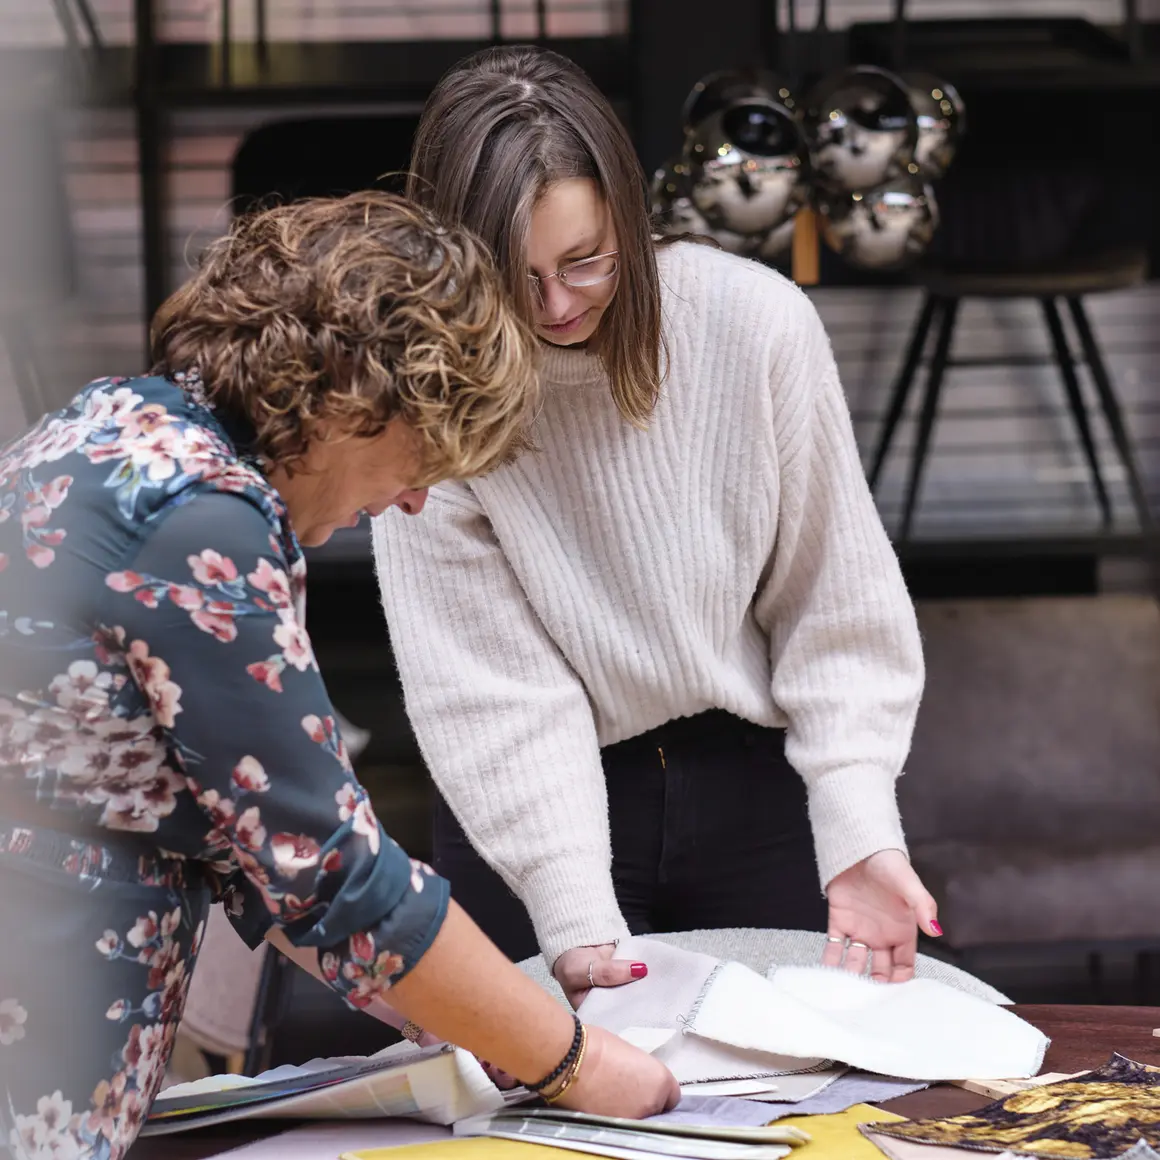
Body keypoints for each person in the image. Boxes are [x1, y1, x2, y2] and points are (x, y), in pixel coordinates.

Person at [0, 191, 678, 1160]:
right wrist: (578, 1062)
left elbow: (268, 849)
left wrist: (473, 1018)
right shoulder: (203, 520)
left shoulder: (116, 424)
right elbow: (333, 876)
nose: (412, 499)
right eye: (423, 455)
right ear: (358, 398)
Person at [374, 46, 944, 1008]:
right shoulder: (430, 391)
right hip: (530, 809)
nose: (558, 306)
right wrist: (573, 910)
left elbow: (832, 603)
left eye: (586, 260)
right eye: (519, 278)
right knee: (544, 1137)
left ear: (630, 220)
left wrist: (859, 826)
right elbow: (494, 692)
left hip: (757, 788)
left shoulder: (754, 325)